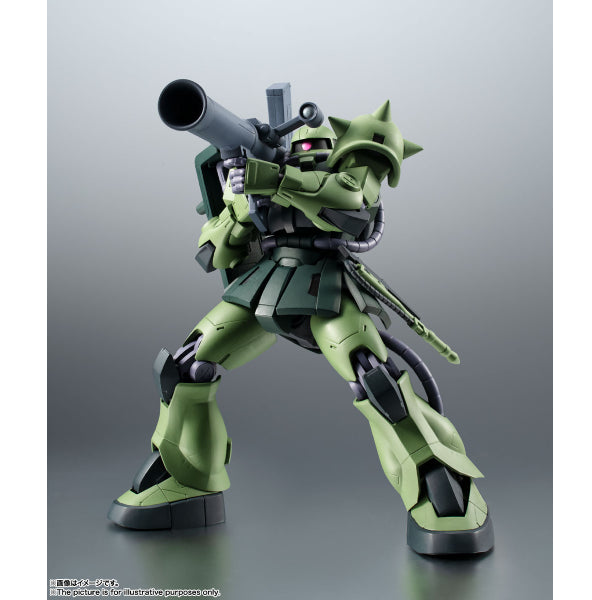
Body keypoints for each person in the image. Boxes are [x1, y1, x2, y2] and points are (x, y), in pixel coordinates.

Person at [108, 102, 494, 556]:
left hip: (325, 286)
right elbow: (215, 252)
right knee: (185, 367)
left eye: (319, 150)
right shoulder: (262, 181)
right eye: (302, 151)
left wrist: (274, 180)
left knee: (376, 380)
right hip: (265, 284)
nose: (309, 155)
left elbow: (351, 200)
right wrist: (241, 206)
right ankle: (187, 476)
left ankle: (439, 484)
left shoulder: (345, 172)